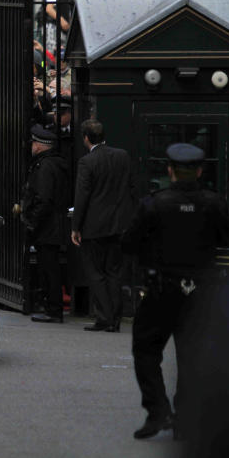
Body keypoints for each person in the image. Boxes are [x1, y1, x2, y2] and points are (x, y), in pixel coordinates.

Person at [121, 143, 229, 441]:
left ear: (170, 171)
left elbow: (129, 243)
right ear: (199, 171)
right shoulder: (214, 204)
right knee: (192, 354)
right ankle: (186, 416)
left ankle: (158, 410)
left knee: (146, 349)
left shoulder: (154, 204)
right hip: (201, 289)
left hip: (162, 287)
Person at [71, 119, 135, 332]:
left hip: (94, 226)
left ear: (86, 138)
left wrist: (75, 226)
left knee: (95, 273)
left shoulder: (87, 162)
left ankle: (105, 317)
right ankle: (114, 318)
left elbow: (82, 196)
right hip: (118, 224)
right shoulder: (122, 156)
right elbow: (130, 188)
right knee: (114, 272)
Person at [22, 125, 71, 323]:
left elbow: (43, 197)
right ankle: (52, 307)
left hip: (48, 225)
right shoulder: (55, 164)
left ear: (41, 146)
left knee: (49, 268)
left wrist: (32, 221)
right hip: (54, 223)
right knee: (50, 267)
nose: (32, 146)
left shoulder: (45, 166)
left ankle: (53, 309)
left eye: (34, 143)